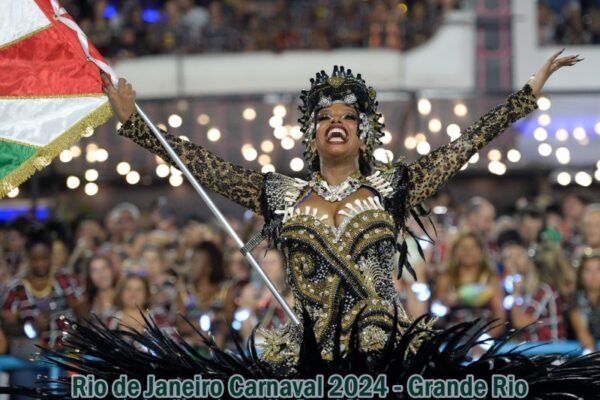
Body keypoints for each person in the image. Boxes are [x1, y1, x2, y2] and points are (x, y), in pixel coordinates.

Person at [50, 51, 599, 395]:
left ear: (365, 133)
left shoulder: (393, 187)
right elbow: (205, 167)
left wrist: (524, 97)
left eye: (347, 118)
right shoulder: (282, 195)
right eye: (324, 119)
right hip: (303, 364)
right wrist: (138, 128)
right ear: (311, 135)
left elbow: (465, 146)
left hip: (386, 365)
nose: (336, 124)